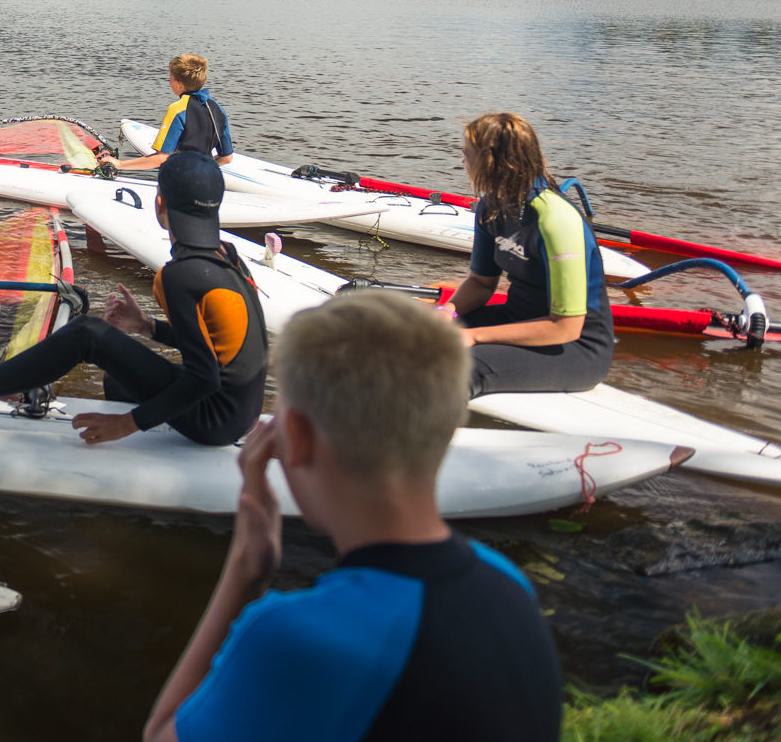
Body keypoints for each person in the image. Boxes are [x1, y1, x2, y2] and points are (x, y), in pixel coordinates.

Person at [143, 289, 562, 741]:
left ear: (297, 437)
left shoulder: (295, 634)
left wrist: (242, 573)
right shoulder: (510, 586)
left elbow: (160, 735)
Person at [0, 150, 266, 447]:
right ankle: (23, 381)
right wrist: (146, 327)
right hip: (241, 411)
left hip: (216, 420)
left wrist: (126, 425)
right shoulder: (226, 258)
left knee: (89, 334)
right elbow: (218, 349)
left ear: (159, 202)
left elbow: (203, 377)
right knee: (116, 384)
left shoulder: (181, 275)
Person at [437, 112, 614, 398]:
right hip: (515, 319)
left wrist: (472, 336)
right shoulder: (490, 208)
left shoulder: (556, 220)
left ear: (491, 161)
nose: (463, 162)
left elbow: (565, 328)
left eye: (466, 154)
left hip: (575, 346)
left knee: (458, 368)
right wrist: (448, 311)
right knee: (416, 339)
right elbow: (481, 284)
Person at [104, 52, 233, 172]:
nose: (169, 83)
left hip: (181, 180)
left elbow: (161, 158)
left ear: (179, 84)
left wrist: (119, 164)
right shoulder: (218, 108)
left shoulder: (177, 109)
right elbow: (227, 157)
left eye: (170, 79)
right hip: (209, 181)